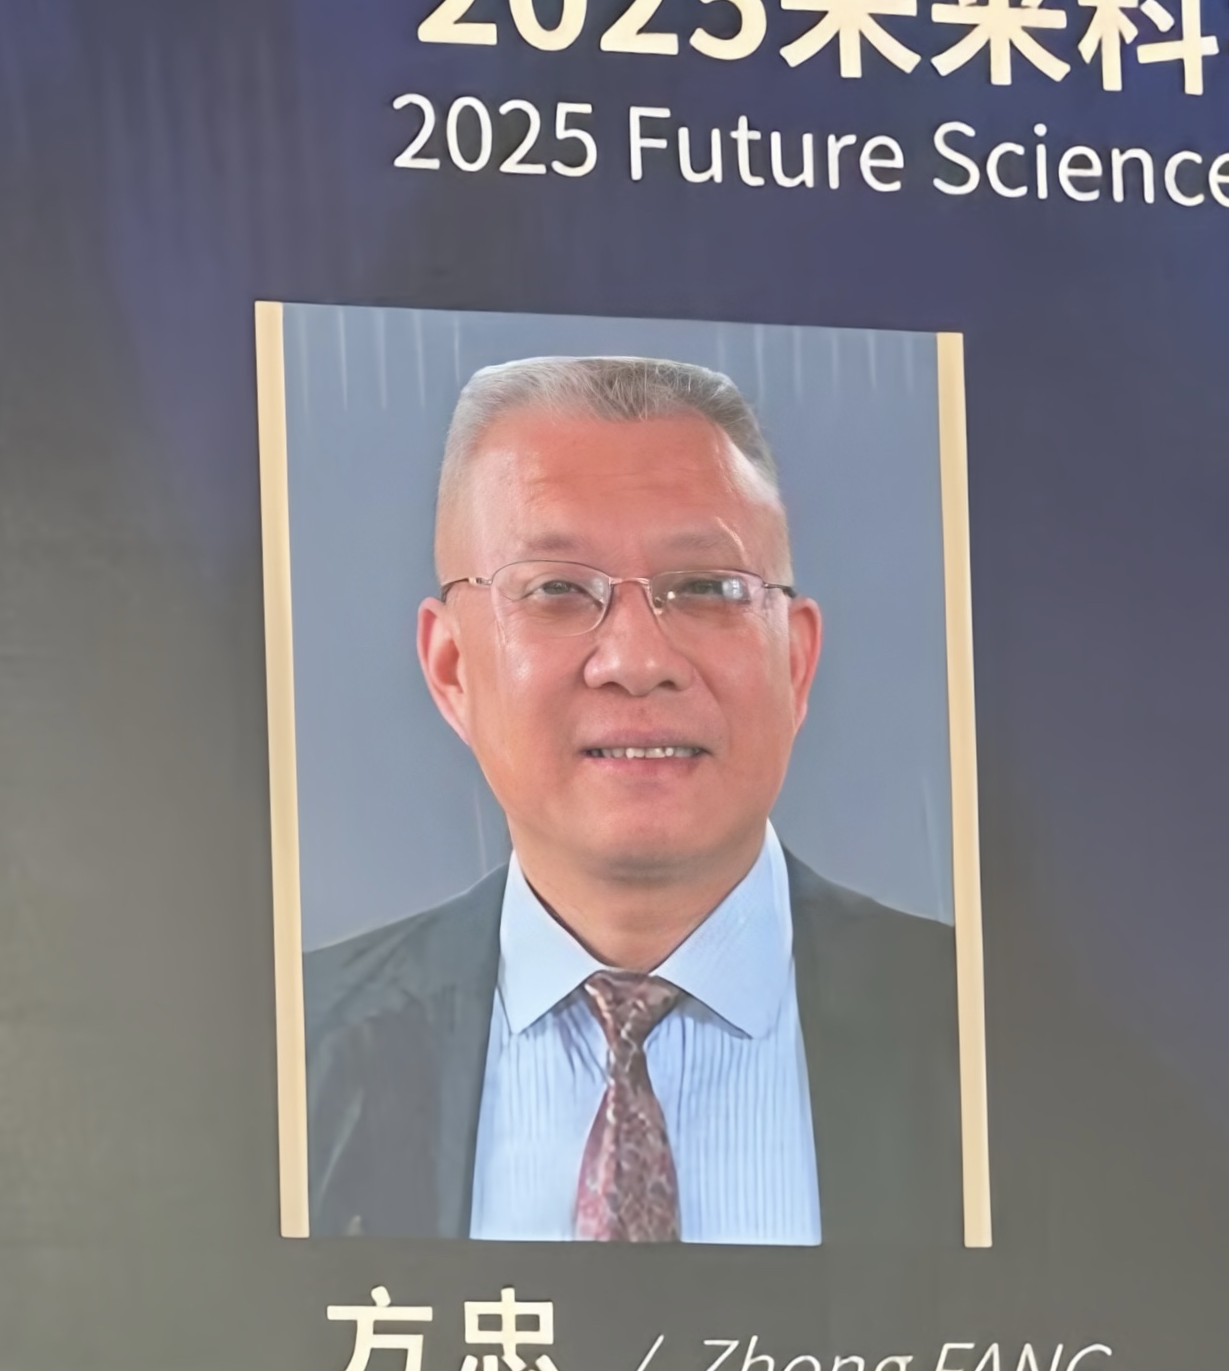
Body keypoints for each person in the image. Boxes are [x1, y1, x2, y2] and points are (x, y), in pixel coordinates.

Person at [300, 355, 966, 1244]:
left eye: (704, 590)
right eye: (557, 591)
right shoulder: (289, 1055)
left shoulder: (1001, 1037)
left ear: (796, 664)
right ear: (452, 668)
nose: (637, 661)